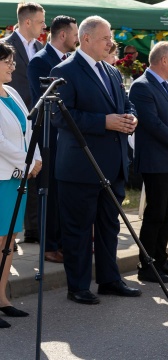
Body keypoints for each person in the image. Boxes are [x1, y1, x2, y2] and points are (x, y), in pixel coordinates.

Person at [50, 16, 141, 305]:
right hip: (80, 168)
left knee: (108, 226)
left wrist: (130, 116)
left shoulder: (111, 72)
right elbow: (60, 117)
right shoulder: (63, 71)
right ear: (85, 39)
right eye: (106, 38)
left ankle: (109, 279)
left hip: (112, 166)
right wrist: (105, 122)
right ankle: (77, 286)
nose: (111, 43)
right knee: (77, 230)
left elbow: (125, 103)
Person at [129, 42, 168, 283]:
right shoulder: (141, 86)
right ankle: (146, 265)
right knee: (155, 213)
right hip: (157, 161)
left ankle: (160, 259)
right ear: (164, 60)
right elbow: (152, 124)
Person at [26, 15, 78, 264]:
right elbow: (45, 102)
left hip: (65, 138)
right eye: (76, 34)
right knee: (50, 191)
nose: (78, 39)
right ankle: (49, 246)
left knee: (63, 193)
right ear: (63, 35)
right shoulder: (40, 61)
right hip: (50, 137)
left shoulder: (68, 60)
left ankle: (61, 242)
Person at [0, 42, 41, 328]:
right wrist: (26, 162)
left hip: (18, 178)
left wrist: (35, 158)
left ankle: (2, 298)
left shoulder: (12, 92)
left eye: (14, 62)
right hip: (3, 177)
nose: (13, 67)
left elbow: (28, 129)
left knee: (10, 241)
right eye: (8, 62)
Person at [1, 2, 45, 246]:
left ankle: (34, 230)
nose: (43, 26)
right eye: (40, 21)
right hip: (6, 124)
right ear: (27, 21)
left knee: (35, 178)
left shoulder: (40, 47)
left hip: (31, 121)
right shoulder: (5, 46)